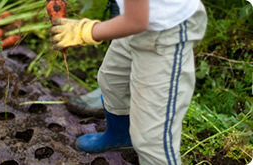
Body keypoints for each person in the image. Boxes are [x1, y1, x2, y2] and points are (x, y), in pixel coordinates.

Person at [50, 0, 207, 164]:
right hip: (138, 20)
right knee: (113, 80)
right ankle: (120, 137)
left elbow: (136, 21)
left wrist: (85, 32)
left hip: (166, 31)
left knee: (152, 136)